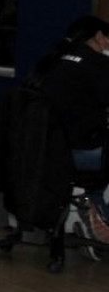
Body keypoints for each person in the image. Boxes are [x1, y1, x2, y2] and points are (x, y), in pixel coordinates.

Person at [36, 15, 109, 235]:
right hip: (82, 153)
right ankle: (96, 211)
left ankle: (93, 210)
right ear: (99, 37)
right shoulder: (100, 65)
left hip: (45, 150)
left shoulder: (54, 61)